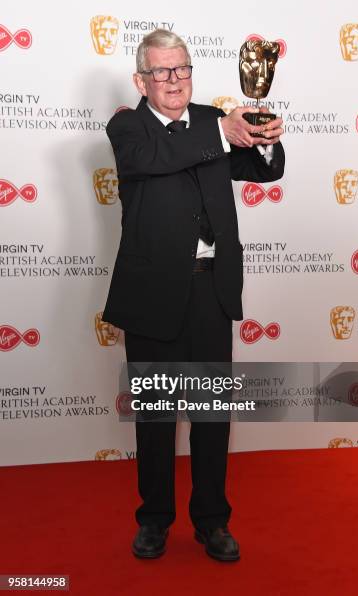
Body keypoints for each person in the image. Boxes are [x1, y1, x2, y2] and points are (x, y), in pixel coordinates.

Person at [103, 29, 285, 561]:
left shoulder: (212, 120)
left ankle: (212, 521)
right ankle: (155, 520)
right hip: (152, 293)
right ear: (142, 79)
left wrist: (265, 137)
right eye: (162, 71)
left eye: (182, 69)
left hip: (211, 288)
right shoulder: (127, 127)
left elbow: (262, 170)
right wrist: (223, 133)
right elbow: (159, 158)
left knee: (210, 414)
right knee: (156, 415)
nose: (174, 79)